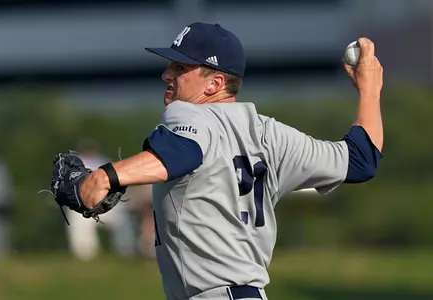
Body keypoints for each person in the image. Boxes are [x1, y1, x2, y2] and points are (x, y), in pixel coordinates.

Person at [77, 22, 383, 300]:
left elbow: (182, 153)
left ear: (214, 84)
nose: (166, 74)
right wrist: (370, 90)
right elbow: (361, 159)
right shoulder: (272, 135)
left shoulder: (189, 113)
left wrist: (104, 177)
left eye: (180, 66)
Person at [65, 138, 136, 260]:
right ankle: (85, 254)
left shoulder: (103, 161)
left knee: (122, 222)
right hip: (83, 203)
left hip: (105, 200)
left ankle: (126, 251)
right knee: (79, 224)